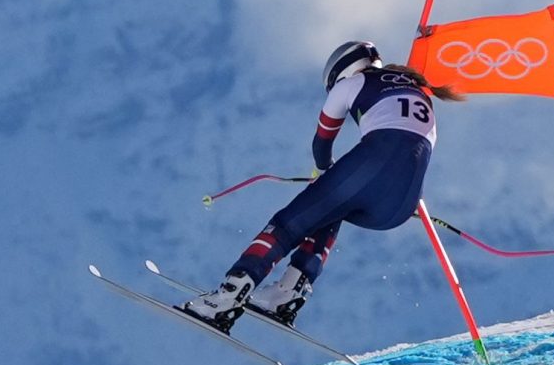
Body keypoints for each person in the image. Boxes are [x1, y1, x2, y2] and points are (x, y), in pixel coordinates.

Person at [182, 40, 464, 333]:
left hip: (371, 168)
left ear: (342, 70)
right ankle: (288, 292)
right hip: (400, 207)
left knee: (287, 224)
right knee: (330, 209)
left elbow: (322, 142)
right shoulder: (420, 92)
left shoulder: (353, 83)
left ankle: (226, 298)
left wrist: (322, 172)